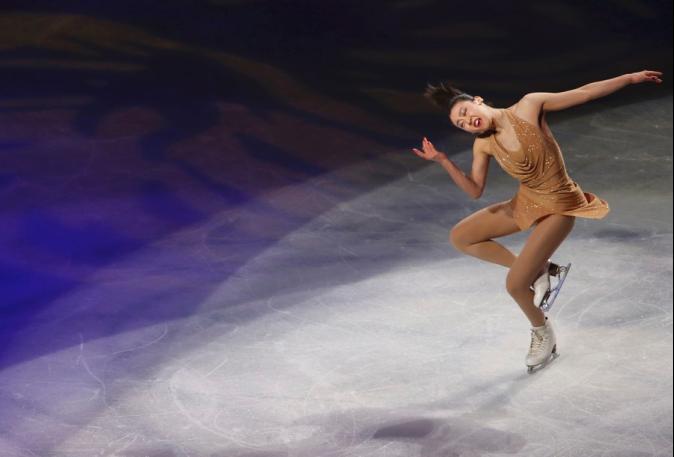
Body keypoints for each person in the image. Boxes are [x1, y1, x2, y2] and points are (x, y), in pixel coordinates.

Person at [413, 70, 663, 372]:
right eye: (460, 124)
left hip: (560, 205)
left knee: (515, 284)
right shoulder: (483, 144)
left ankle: (542, 332)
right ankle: (539, 269)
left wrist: (631, 79)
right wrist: (443, 160)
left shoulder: (529, 106)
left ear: (478, 101)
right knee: (461, 237)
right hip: (527, 201)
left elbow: (585, 92)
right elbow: (475, 190)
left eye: (465, 113)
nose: (467, 122)